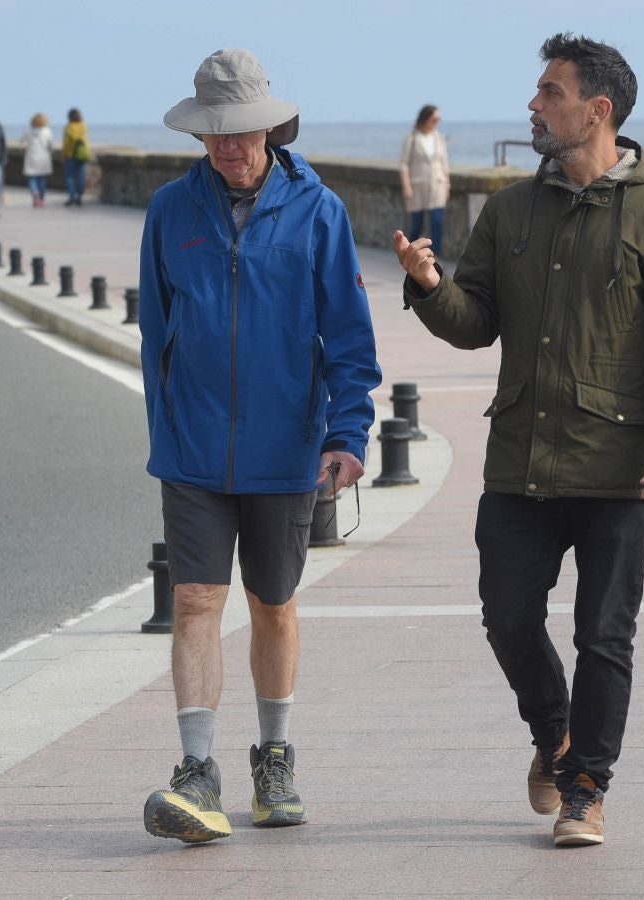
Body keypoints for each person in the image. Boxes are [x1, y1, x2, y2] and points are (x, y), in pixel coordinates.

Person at [394, 33, 644, 848]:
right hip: (521, 461)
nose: (533, 106)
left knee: (604, 634)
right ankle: (553, 734)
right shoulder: (507, 211)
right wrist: (430, 289)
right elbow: (476, 324)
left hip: (619, 469)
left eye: (549, 93)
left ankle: (586, 788)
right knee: (505, 616)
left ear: (596, 110)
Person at [137, 49, 381, 845]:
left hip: (287, 448)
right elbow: (152, 337)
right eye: (212, 136)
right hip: (194, 450)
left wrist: (347, 433)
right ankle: (197, 769)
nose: (227, 150)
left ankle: (274, 758)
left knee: (271, 605)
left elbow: (347, 334)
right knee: (195, 599)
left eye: (239, 133)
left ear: (270, 126)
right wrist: (165, 428)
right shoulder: (171, 212)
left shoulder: (320, 211)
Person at [399, 104, 450, 254]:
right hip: (417, 186)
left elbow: (444, 163)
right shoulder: (412, 138)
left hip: (437, 185)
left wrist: (447, 185)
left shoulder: (439, 138)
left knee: (437, 222)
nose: (437, 122)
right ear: (426, 118)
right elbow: (404, 164)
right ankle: (410, 253)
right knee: (417, 224)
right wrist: (406, 185)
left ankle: (435, 257)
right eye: (434, 119)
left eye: (438, 119)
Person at [22, 112, 55, 208]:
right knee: (42, 180)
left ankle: (34, 192)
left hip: (32, 158)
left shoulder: (29, 131)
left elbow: (21, 140)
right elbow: (50, 146)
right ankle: (41, 199)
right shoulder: (47, 131)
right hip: (43, 159)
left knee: (32, 178)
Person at [62, 108, 89, 206]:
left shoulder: (68, 127)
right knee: (81, 176)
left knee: (70, 177)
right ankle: (79, 196)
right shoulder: (83, 126)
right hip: (82, 154)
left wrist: (64, 154)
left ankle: (71, 197)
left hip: (71, 154)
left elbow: (66, 143)